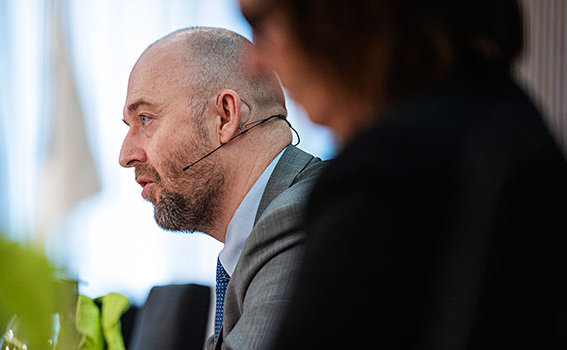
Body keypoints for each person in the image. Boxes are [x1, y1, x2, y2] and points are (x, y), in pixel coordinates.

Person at [237, 0, 567, 348]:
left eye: (262, 25)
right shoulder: (503, 118)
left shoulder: (389, 170)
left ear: (345, 15)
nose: (255, 64)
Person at [118, 27, 325, 349]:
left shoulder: (302, 220)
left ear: (225, 116)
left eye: (145, 119)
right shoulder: (259, 234)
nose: (126, 156)